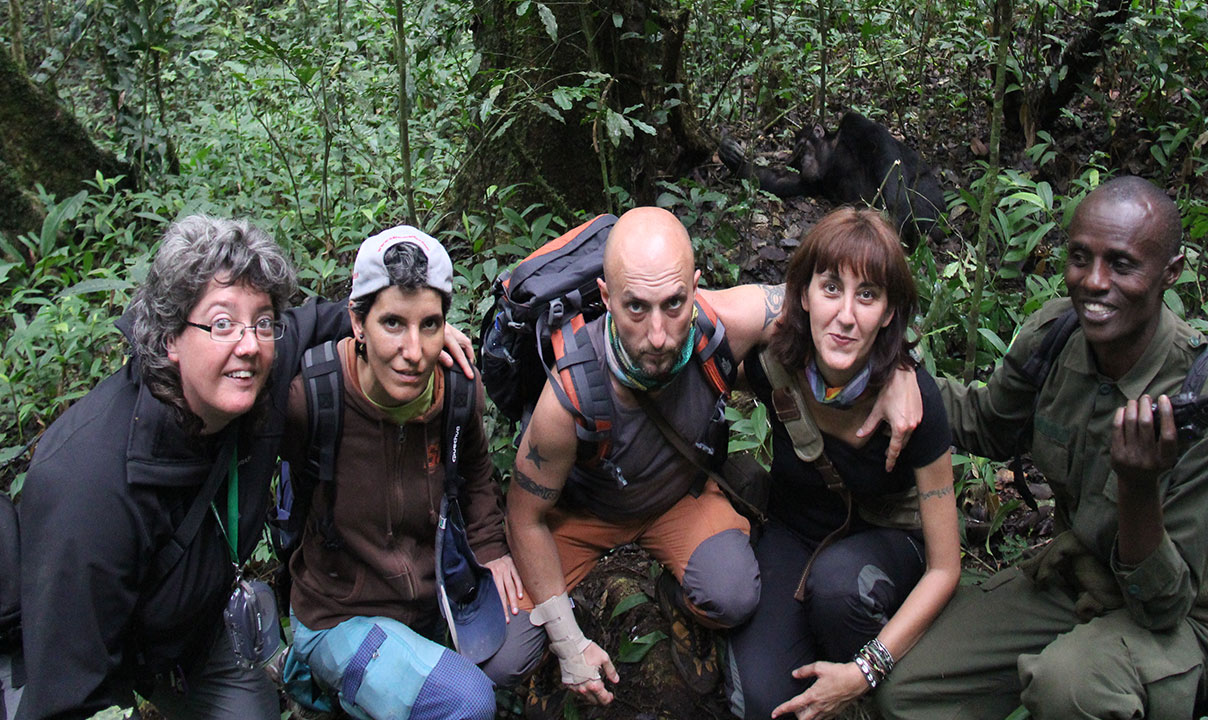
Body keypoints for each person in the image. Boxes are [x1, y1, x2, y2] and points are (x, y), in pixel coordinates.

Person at [15, 216, 473, 720]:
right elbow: (68, 697)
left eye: (260, 321)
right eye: (221, 323)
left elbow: (328, 318)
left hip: (205, 628)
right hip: (112, 652)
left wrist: (417, 332)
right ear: (169, 337)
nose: (250, 344)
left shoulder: (256, 370)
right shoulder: (90, 485)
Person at [486, 207, 919, 711]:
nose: (659, 335)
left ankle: (679, 598)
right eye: (636, 309)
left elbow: (830, 313)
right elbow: (525, 515)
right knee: (506, 655)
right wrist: (566, 641)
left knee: (731, 595)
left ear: (695, 288)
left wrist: (900, 369)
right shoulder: (569, 394)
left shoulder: (721, 325)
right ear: (606, 298)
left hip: (677, 498)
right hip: (584, 514)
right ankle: (551, 667)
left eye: (674, 304)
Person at [875, 176, 1208, 719]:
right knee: (909, 692)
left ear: (1169, 274)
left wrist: (1138, 486)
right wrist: (894, 375)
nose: (1094, 282)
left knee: (1069, 686)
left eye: (1122, 265)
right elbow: (987, 424)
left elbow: (1164, 604)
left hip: (1181, 627)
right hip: (1075, 583)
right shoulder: (1057, 336)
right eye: (1080, 258)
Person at [724, 208, 959, 720]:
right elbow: (687, 340)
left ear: (890, 311)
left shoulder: (915, 401)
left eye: (867, 295)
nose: (846, 315)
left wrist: (864, 670)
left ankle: (871, 697)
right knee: (764, 702)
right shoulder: (774, 365)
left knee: (837, 587)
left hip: (887, 548)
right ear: (804, 295)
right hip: (794, 535)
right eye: (831, 288)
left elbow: (946, 567)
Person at [279, 226, 521, 720]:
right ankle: (315, 679)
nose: (414, 351)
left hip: (430, 604)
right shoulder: (312, 399)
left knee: (521, 649)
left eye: (429, 324)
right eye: (393, 323)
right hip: (337, 613)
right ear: (357, 323)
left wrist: (492, 547)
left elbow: (475, 471)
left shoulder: (456, 392)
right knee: (467, 703)